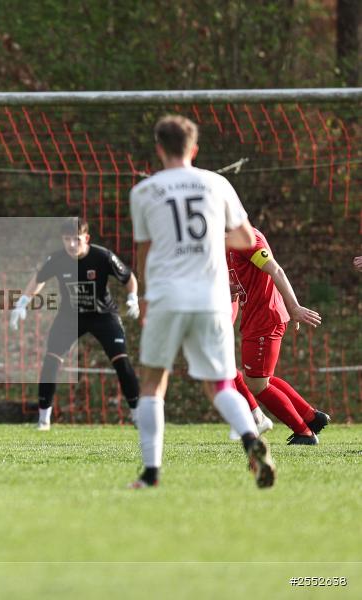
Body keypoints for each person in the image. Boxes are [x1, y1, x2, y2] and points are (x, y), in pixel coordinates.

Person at [129, 114, 275, 489]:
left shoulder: (145, 192)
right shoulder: (217, 183)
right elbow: (245, 238)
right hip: (212, 299)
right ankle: (250, 439)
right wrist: (212, 238)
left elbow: (143, 252)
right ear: (194, 149)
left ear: (159, 149)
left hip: (167, 296)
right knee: (221, 384)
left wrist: (143, 296)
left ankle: (150, 473)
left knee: (152, 384)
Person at [9, 220, 141, 430]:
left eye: (76, 239)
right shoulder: (58, 259)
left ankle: (138, 415)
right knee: (51, 361)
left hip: (103, 315)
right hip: (70, 316)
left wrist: (133, 297)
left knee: (121, 362)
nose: (71, 244)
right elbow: (38, 279)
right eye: (67, 240)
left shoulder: (102, 256)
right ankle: (44, 420)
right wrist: (22, 302)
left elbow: (129, 277)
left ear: (86, 238)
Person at [227, 227, 328, 444]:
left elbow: (276, 270)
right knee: (260, 378)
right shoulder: (228, 240)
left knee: (257, 385)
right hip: (256, 317)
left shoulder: (247, 238)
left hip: (265, 317)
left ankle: (304, 433)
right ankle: (311, 417)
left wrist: (294, 308)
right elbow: (246, 277)